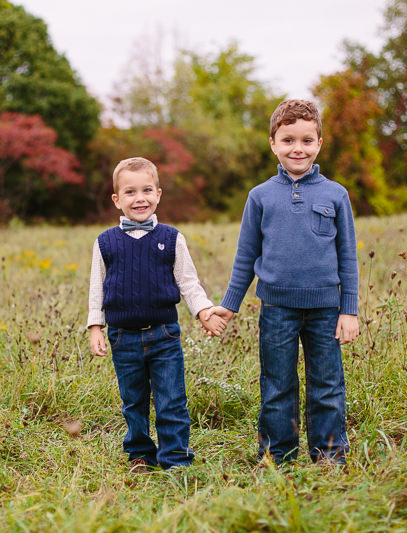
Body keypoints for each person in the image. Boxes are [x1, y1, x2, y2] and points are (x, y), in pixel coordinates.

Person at [204, 99, 359, 465]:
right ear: (273, 143)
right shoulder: (260, 196)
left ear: (320, 143)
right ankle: (277, 457)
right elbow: (246, 256)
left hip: (325, 309)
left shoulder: (335, 194)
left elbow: (348, 257)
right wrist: (229, 305)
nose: (297, 149)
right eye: (288, 140)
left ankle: (330, 456)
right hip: (276, 309)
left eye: (307, 140)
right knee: (276, 385)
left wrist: (349, 310)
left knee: (327, 385)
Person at [87, 156, 226, 471]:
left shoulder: (171, 238)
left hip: (164, 334)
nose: (140, 198)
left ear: (158, 194)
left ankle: (175, 458)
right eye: (130, 192)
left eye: (147, 190)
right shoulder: (105, 242)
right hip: (122, 338)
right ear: (117, 199)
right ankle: (140, 454)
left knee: (171, 399)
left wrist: (204, 311)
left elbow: (188, 283)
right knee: (133, 401)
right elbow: (97, 287)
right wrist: (96, 327)